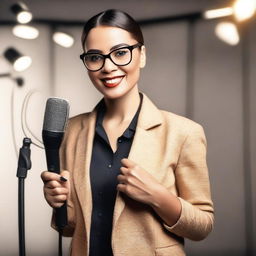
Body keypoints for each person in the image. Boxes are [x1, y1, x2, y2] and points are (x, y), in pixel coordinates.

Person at [41, 9, 214, 256]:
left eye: (121, 53)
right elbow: (69, 228)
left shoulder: (184, 132)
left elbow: (202, 226)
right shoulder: (71, 131)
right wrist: (58, 202)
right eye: (94, 57)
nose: (108, 67)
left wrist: (158, 196)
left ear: (141, 55)